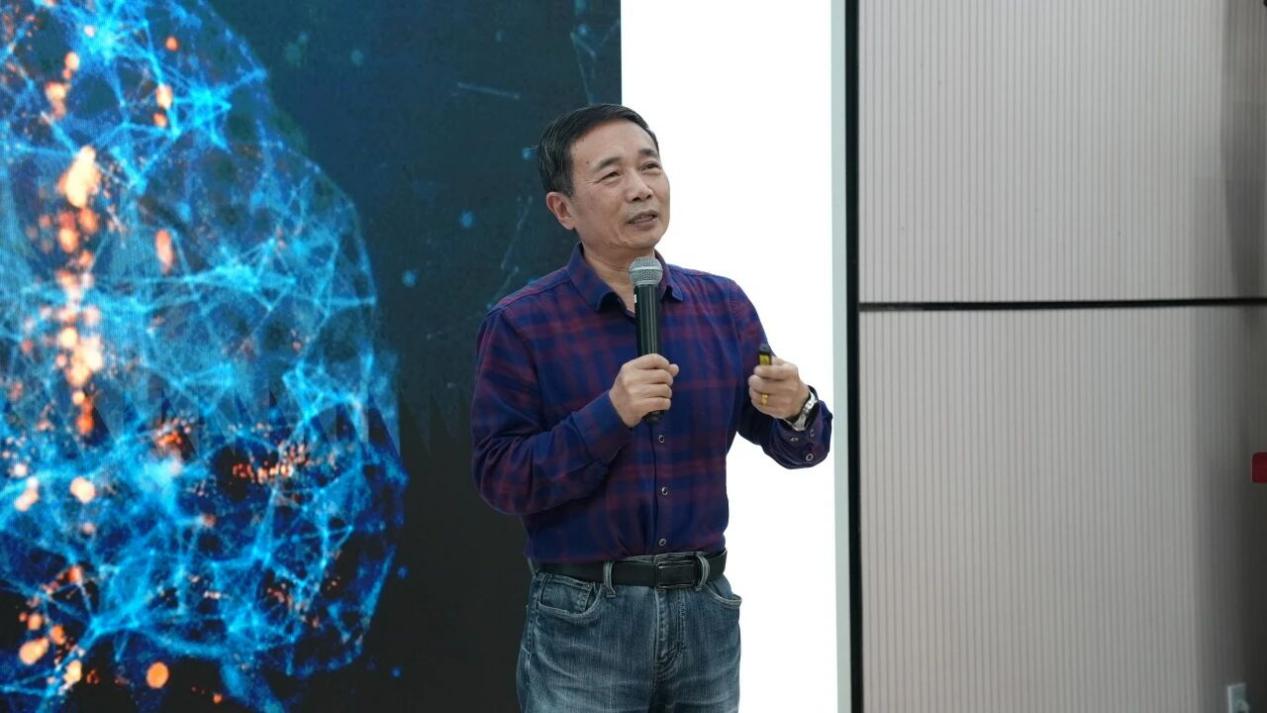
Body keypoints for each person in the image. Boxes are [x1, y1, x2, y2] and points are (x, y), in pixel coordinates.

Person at [470, 103, 831, 712]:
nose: (640, 188)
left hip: (705, 611)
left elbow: (803, 448)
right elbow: (500, 479)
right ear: (563, 209)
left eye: (650, 167)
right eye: (611, 175)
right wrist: (609, 415)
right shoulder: (521, 323)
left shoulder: (723, 305)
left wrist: (796, 408)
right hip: (585, 618)